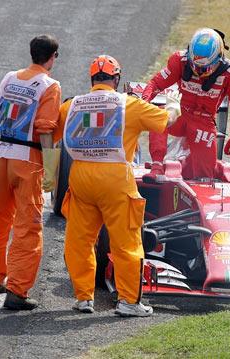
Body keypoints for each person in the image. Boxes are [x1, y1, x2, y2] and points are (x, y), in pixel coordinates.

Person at [56, 55, 180, 316]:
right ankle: (129, 302)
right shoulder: (129, 105)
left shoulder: (72, 106)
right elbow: (165, 121)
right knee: (126, 242)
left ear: (92, 80)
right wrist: (173, 106)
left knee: (79, 240)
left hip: (80, 179)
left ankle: (83, 297)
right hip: (115, 181)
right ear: (117, 79)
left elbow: (51, 132)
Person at [0, 35, 61, 309]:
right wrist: (51, 170)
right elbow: (46, 130)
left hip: (0, 155)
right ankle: (16, 291)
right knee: (28, 226)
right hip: (27, 160)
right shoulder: (50, 86)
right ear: (53, 58)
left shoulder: (8, 77)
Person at [141, 27, 230, 181]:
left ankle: (191, 166)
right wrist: (143, 104)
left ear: (219, 58)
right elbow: (155, 84)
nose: (198, 71)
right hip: (180, 115)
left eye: (204, 68)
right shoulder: (179, 60)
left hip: (204, 124)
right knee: (159, 116)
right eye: (194, 66)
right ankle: (157, 166)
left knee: (204, 177)